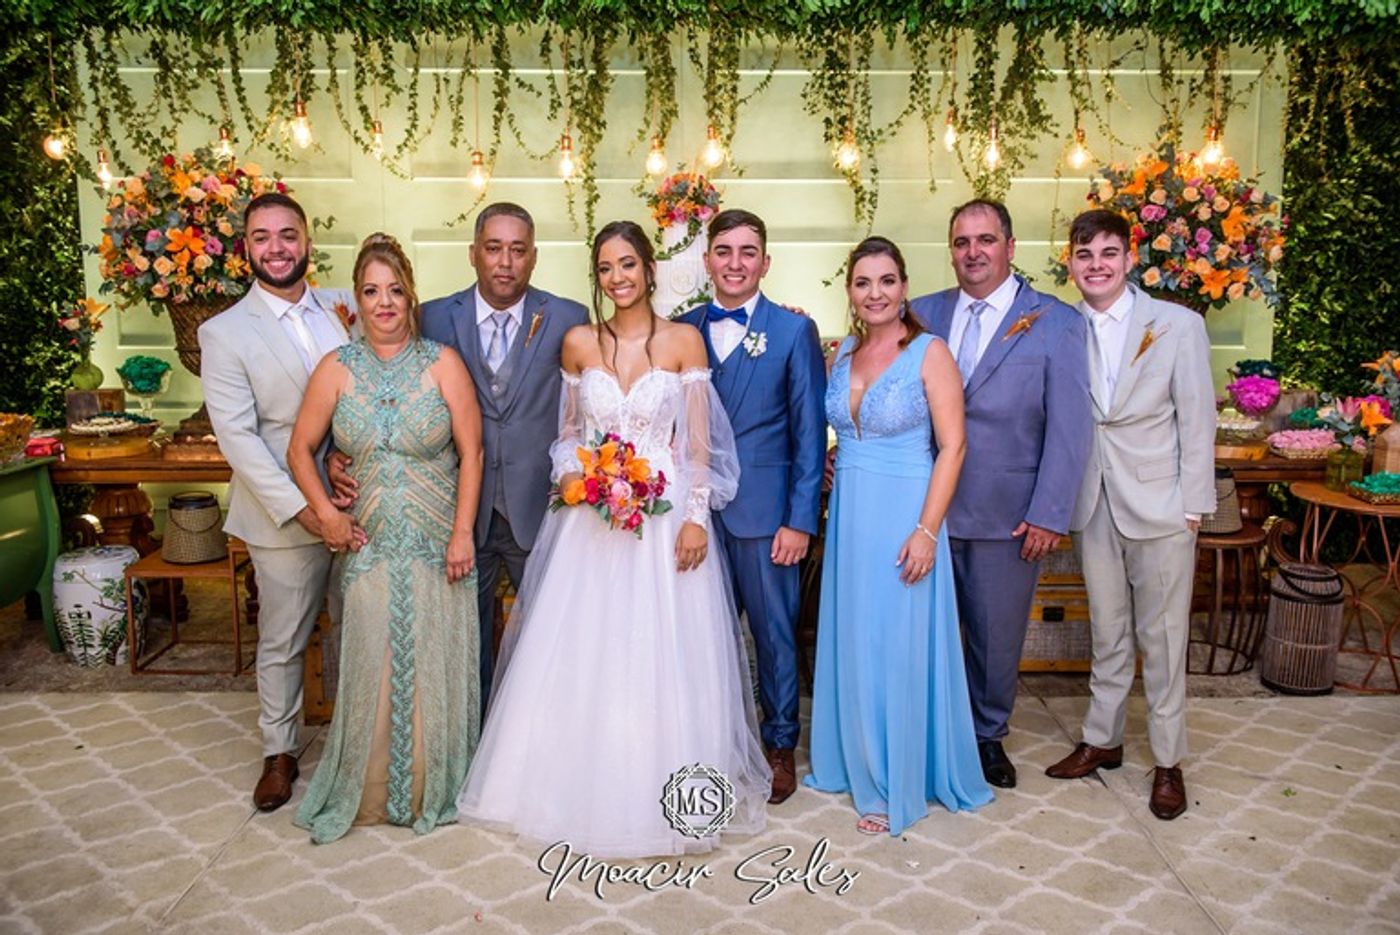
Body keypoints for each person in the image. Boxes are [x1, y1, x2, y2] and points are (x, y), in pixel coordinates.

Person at [456, 220, 769, 858]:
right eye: (605, 267)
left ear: (649, 269)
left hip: (664, 519)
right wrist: (576, 474)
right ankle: (576, 782)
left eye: (627, 264)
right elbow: (569, 435)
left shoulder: (683, 342)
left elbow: (700, 445)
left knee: (660, 651)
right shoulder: (578, 343)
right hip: (593, 524)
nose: (617, 277)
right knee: (585, 651)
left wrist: (695, 518)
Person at [330, 203, 588, 705]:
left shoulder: (568, 318)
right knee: (464, 640)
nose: (505, 262)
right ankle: (474, 735)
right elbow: (386, 380)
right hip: (456, 513)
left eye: (518, 250)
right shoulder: (431, 317)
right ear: (473, 253)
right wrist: (335, 453)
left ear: (534, 257)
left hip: (539, 503)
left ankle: (540, 729)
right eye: (493, 248)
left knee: (549, 635)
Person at [286, 233, 485, 843]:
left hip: (437, 539)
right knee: (373, 655)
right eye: (371, 292)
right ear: (357, 299)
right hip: (367, 541)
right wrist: (326, 512)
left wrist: (462, 534)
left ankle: (431, 784)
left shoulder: (443, 363)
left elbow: (473, 453)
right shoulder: (336, 368)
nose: (384, 303)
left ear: (411, 296)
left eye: (395, 290)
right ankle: (370, 791)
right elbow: (300, 449)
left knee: (432, 658)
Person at [805, 236, 993, 835]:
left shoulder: (930, 353)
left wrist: (926, 531)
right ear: (850, 291)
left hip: (906, 513)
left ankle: (896, 779)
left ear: (904, 287)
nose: (876, 293)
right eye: (863, 283)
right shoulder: (842, 353)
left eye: (887, 281)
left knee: (897, 643)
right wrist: (835, 460)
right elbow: (846, 429)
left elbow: (954, 447)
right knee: (856, 637)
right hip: (851, 516)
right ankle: (854, 758)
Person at [910, 199, 1092, 789]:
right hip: (923, 508)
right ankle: (930, 729)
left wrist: (1049, 513)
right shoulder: (921, 313)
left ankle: (987, 736)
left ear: (1010, 247)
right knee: (924, 630)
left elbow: (1070, 428)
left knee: (995, 636)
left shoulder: (1057, 322)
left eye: (986, 240)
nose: (974, 252)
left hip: (1007, 512)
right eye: (962, 242)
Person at [1043, 209, 1215, 821]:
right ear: (1071, 263)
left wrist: (1194, 504)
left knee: (1163, 639)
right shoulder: (1061, 327)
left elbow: (1198, 417)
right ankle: (1102, 739)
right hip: (1092, 502)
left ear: (1129, 257)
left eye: (1108, 253)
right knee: (1108, 630)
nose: (1096, 265)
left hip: (1162, 505)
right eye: (1084, 255)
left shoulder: (1177, 325)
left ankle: (1168, 761)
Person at [200, 192, 357, 812]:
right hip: (282, 516)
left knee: (356, 625)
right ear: (246, 248)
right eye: (262, 237)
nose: (277, 248)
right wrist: (306, 510)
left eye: (288, 235)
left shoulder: (343, 310)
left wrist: (345, 467)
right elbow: (239, 439)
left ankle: (354, 738)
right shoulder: (223, 333)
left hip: (353, 502)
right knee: (284, 638)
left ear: (307, 241)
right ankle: (280, 752)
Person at [673, 209, 827, 804]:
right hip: (694, 515)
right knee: (698, 634)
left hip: (766, 517)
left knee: (774, 634)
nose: (735, 263)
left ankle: (779, 744)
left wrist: (799, 520)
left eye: (747, 252)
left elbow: (809, 434)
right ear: (707, 260)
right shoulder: (680, 330)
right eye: (724, 251)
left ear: (765, 262)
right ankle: (706, 740)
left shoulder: (792, 331)